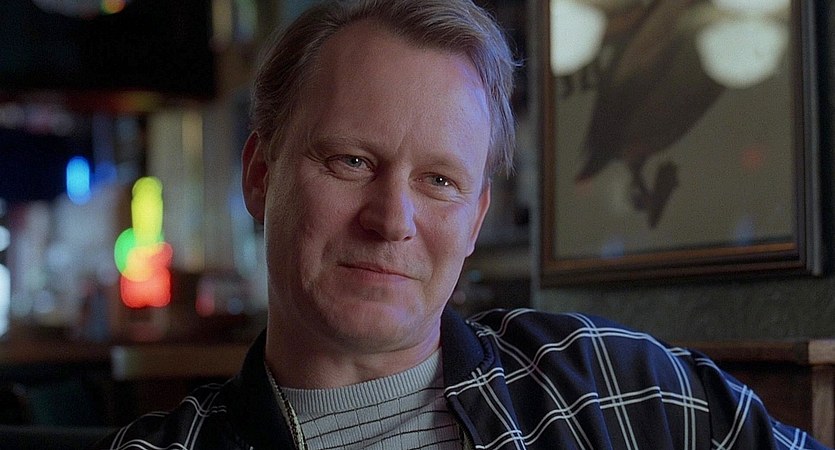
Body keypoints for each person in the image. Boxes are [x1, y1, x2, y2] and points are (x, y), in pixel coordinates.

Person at [92, 0, 830, 449]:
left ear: (475, 219)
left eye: (438, 181)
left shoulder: (618, 386)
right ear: (260, 175)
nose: (392, 220)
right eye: (351, 161)